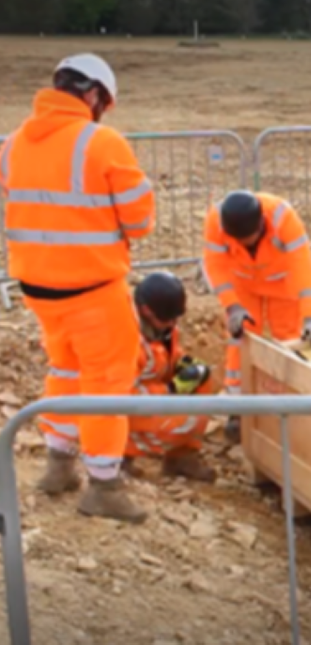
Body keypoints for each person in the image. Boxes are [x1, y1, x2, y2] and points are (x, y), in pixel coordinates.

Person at [0, 53, 156, 523]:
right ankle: (104, 485)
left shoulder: (11, 145)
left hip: (39, 289)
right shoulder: (102, 142)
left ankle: (59, 462)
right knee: (106, 382)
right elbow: (140, 220)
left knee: (65, 369)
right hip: (92, 287)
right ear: (94, 96)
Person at [201, 190, 311, 444]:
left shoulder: (283, 218)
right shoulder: (216, 221)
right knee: (241, 342)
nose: (246, 246)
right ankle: (238, 410)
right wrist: (232, 307)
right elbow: (214, 266)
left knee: (291, 339)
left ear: (261, 225)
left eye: (249, 240)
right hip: (243, 285)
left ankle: (296, 407)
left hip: (282, 284)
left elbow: (303, 266)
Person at [121, 271, 218, 483]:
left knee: (203, 380)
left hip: (154, 396)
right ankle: (121, 454)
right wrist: (171, 390)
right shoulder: (125, 339)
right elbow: (123, 394)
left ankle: (180, 458)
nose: (173, 324)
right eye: (169, 319)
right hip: (126, 410)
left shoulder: (162, 325)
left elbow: (168, 354)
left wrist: (182, 364)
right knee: (189, 419)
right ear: (146, 311)